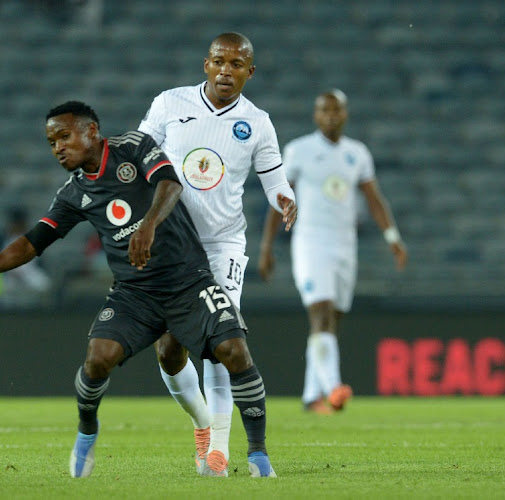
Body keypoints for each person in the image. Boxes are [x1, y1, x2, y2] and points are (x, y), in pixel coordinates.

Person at [0, 101, 278, 478]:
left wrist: (149, 224)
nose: (58, 146)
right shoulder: (74, 193)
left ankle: (257, 455)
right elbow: (32, 242)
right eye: (51, 141)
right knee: (97, 358)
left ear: (91, 131)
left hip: (188, 280)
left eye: (64, 136)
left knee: (232, 349)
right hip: (135, 292)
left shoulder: (133, 147)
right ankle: (88, 430)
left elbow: (170, 183)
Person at [137, 32, 297, 476]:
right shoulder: (170, 104)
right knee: (169, 350)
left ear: (250, 71)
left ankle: (218, 453)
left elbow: (274, 179)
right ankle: (202, 424)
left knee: (220, 342)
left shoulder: (257, 122)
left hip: (224, 242)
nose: (226, 70)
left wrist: (285, 198)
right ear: (205, 65)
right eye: (219, 61)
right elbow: (137, 153)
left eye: (236, 64)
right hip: (172, 241)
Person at [258, 89, 408, 415]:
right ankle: (333, 388)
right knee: (321, 313)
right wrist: (267, 247)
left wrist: (392, 238)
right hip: (311, 242)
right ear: (315, 115)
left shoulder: (357, 154)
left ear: (345, 114)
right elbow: (279, 201)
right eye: (324, 110)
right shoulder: (299, 150)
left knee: (332, 321)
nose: (330, 116)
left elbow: (374, 199)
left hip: (345, 245)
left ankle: (312, 397)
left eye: (336, 110)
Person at [0, 208, 52, 310]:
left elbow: (32, 265)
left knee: (45, 284)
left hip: (29, 274)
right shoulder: (7, 241)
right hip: (12, 277)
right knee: (4, 291)